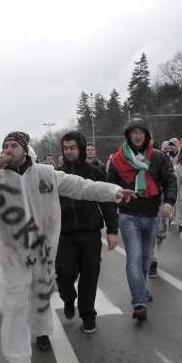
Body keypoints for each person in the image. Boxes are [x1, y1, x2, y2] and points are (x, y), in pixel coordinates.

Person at [0, 131, 134, 363]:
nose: (9, 149)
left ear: (24, 149)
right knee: (14, 305)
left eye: (13, 146)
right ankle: (17, 361)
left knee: (41, 294)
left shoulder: (45, 174)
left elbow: (81, 186)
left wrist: (114, 191)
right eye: (5, 146)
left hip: (42, 248)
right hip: (10, 253)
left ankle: (41, 331)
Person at [107, 118, 176, 320]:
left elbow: (170, 180)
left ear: (146, 135)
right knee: (134, 258)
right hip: (129, 216)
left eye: (141, 132)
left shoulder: (158, 157)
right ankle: (139, 302)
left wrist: (169, 202)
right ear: (128, 136)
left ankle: (141, 289)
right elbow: (109, 187)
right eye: (133, 132)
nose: (137, 135)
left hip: (152, 215)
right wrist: (114, 206)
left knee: (146, 259)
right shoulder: (117, 159)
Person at [56, 132, 119, 334]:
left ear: (81, 148)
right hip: (64, 234)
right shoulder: (57, 174)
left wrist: (112, 229)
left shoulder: (96, 172)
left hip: (90, 231)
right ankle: (68, 297)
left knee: (89, 275)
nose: (69, 151)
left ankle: (88, 314)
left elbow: (107, 202)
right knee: (64, 274)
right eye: (65, 148)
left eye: (72, 147)